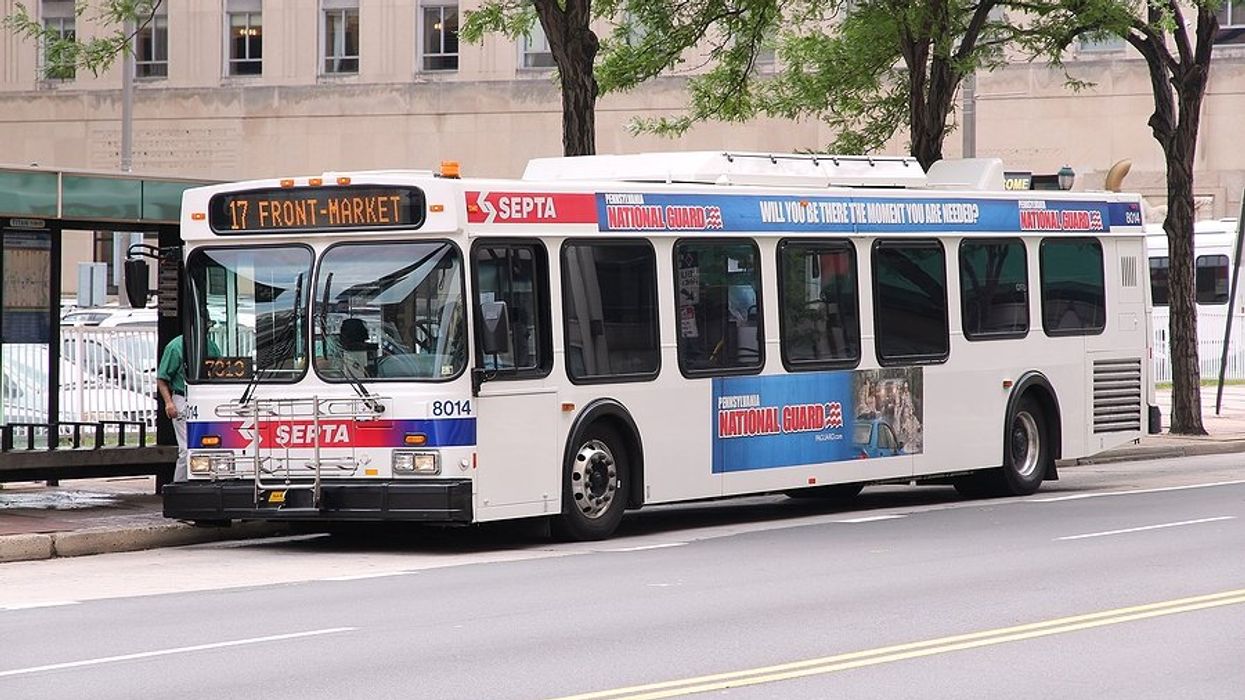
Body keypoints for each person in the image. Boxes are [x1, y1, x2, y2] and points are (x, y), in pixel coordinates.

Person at [157, 334, 189, 482]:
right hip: (182, 398)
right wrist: (169, 403)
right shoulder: (175, 346)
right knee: (186, 448)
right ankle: (180, 484)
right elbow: (162, 379)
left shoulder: (210, 345)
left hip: (204, 397)